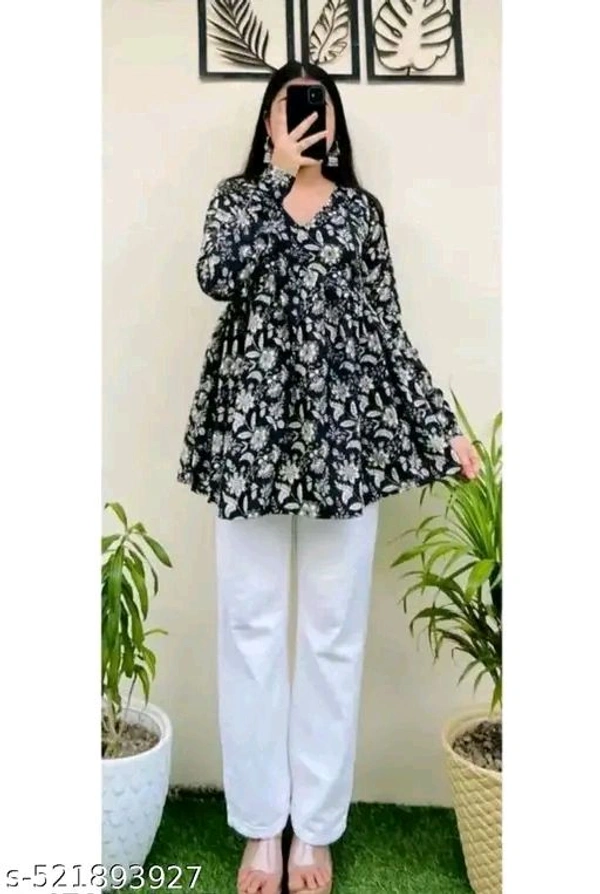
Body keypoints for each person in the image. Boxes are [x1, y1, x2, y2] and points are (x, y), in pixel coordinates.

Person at [178, 60, 480, 894]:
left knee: (332, 635)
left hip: (342, 445)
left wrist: (440, 426)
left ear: (336, 121)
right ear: (268, 122)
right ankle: (259, 828)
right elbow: (216, 277)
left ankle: (313, 830)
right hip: (250, 440)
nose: (306, 120)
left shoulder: (359, 213)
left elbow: (386, 330)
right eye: (289, 107)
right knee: (250, 630)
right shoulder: (237, 200)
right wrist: (275, 183)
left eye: (317, 108)